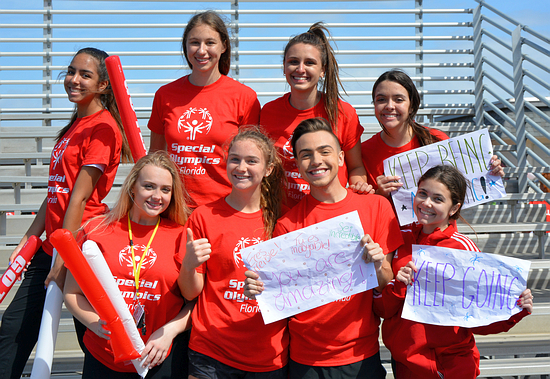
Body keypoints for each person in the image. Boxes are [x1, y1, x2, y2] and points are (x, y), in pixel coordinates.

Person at [0, 47, 131, 379]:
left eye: (85, 75)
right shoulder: (76, 123)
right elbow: (56, 191)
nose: (73, 79)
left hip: (80, 246)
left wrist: (64, 256)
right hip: (54, 246)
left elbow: (79, 197)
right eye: (71, 71)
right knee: (13, 330)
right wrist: (32, 235)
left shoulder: (103, 127)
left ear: (103, 85)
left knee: (93, 338)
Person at [244, 118, 403, 378]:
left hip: (361, 356)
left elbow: (387, 289)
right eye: (306, 155)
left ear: (341, 158)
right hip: (305, 360)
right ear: (297, 164)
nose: (316, 160)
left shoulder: (376, 208)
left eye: (324, 151)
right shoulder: (287, 225)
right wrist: (258, 290)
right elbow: (279, 296)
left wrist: (379, 267)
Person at [373, 164, 533, 379]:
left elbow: (479, 317)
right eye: (422, 193)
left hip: (453, 366)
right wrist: (398, 285)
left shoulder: (464, 250)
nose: (426, 203)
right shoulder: (400, 238)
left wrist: (515, 309)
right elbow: (382, 309)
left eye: (438, 199)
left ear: (454, 208)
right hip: (406, 364)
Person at [64, 151, 194, 378]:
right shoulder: (96, 231)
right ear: (132, 186)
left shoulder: (183, 236)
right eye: (149, 186)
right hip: (104, 356)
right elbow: (72, 293)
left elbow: (195, 304)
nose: (157, 196)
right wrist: (96, 325)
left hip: (159, 357)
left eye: (165, 189)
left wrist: (168, 333)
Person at [179, 127, 289, 378]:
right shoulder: (204, 217)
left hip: (267, 355)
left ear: (269, 169)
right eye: (235, 159)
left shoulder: (283, 220)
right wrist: (188, 264)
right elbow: (190, 292)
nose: (242, 167)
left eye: (252, 161)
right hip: (211, 351)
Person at [148, 10, 261, 208]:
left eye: (210, 43)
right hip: (174, 208)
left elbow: (252, 162)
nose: (201, 50)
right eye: (194, 42)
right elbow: (155, 155)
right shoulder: (165, 95)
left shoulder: (244, 97)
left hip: (224, 207)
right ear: (185, 46)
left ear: (224, 46)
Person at [260, 22, 370, 207]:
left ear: (322, 70)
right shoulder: (268, 112)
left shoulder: (343, 112)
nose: (300, 69)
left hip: (327, 215)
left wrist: (359, 187)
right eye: (293, 62)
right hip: (282, 216)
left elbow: (356, 167)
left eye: (309, 63)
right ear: (284, 67)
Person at [361, 69, 503, 198]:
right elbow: (365, 208)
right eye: (381, 99)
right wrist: (380, 194)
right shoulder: (364, 152)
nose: (389, 106)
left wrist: (490, 171)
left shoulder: (436, 139)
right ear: (374, 104)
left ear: (411, 106)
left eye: (399, 99)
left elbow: (463, 189)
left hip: (439, 227)